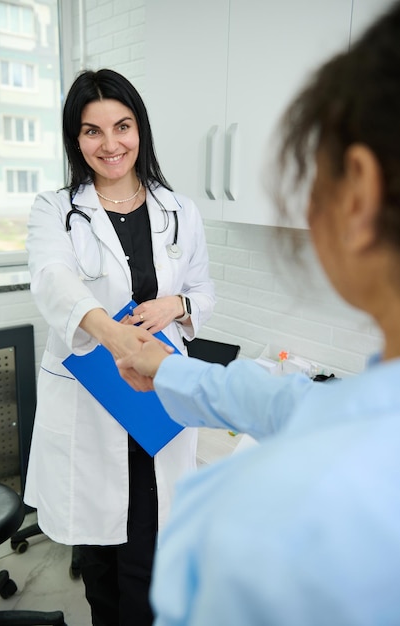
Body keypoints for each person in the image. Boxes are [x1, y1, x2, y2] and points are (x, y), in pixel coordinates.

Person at [117, 3, 400, 624]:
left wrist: (182, 310)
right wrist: (168, 370)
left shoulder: (248, 534)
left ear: (359, 191)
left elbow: (203, 292)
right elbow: (304, 407)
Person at [23, 68, 215, 626]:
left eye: (122, 126)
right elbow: (52, 279)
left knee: (152, 559)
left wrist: (175, 306)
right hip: (93, 403)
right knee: (102, 567)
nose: (110, 145)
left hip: (157, 404)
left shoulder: (180, 209)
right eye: (92, 131)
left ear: (141, 129)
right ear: (75, 139)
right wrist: (112, 333)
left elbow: (203, 290)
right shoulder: (54, 208)